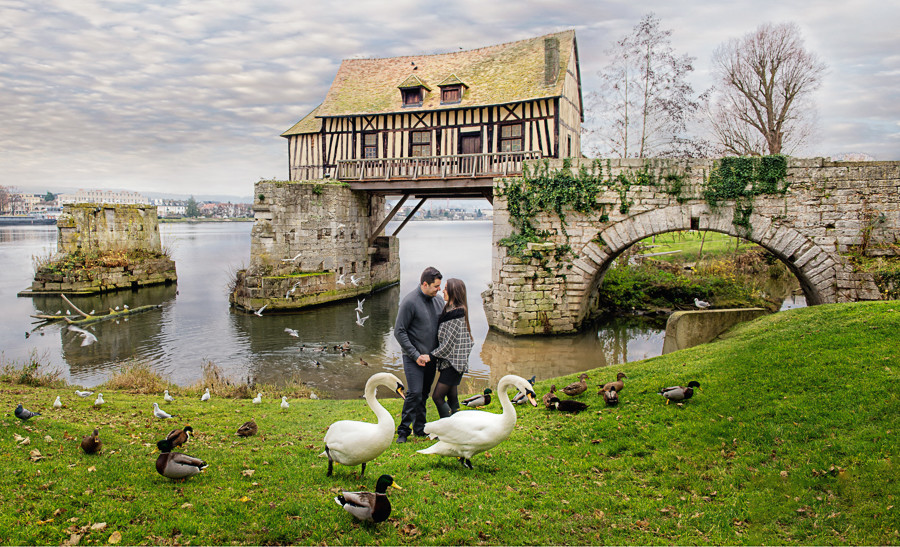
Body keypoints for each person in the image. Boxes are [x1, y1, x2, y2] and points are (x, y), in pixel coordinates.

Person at [393, 266, 444, 443]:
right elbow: (399, 331)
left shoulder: (439, 302)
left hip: (431, 358)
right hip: (413, 357)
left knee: (424, 393)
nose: (439, 289)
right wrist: (415, 355)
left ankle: (420, 429)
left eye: (439, 286)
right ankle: (403, 431)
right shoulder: (409, 302)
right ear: (424, 284)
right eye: (436, 286)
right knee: (414, 392)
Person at [421, 278, 474, 418]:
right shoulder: (452, 310)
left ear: (453, 291)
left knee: (437, 397)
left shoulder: (456, 315)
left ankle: (448, 425)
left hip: (453, 364)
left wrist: (431, 356)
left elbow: (447, 344)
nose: (442, 291)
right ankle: (457, 424)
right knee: (452, 397)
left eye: (445, 288)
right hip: (452, 362)